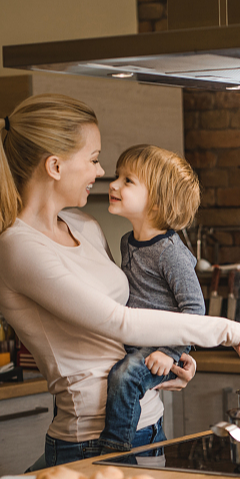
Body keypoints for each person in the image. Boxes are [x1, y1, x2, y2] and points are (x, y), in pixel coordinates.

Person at [0, 93, 240, 467]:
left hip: (149, 423)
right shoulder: (17, 248)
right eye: (93, 159)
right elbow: (116, 320)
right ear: (55, 166)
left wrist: (175, 353)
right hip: (91, 438)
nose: (100, 171)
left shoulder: (84, 225)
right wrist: (232, 332)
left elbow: (133, 315)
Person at [97, 144, 206, 454]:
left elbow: (195, 309)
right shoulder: (126, 242)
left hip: (160, 348)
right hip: (137, 341)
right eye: (118, 176)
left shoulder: (169, 252)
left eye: (128, 180)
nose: (114, 184)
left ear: (157, 200)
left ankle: (115, 450)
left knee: (125, 375)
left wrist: (170, 353)